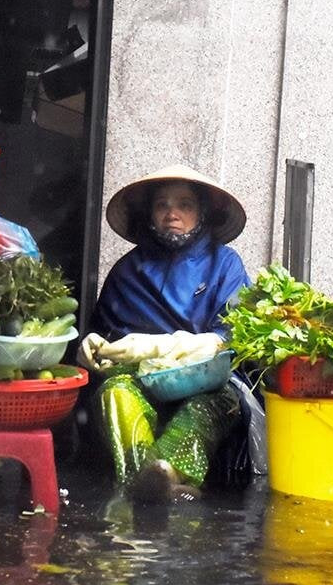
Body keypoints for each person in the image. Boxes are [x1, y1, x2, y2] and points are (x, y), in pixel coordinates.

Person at [79, 164, 252, 503]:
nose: (172, 213)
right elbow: (103, 338)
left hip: (208, 379)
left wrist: (168, 346)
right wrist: (90, 348)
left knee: (211, 407)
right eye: (162, 205)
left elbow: (233, 337)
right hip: (137, 378)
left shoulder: (226, 264)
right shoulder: (127, 270)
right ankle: (147, 480)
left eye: (185, 204)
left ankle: (166, 473)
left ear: (202, 213)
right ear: (150, 213)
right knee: (114, 394)